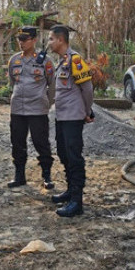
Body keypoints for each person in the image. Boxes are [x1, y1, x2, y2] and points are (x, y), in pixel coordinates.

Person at [49, 25, 94, 217]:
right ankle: (70, 191)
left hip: (74, 116)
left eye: (51, 39)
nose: (49, 43)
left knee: (74, 156)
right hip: (61, 115)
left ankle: (77, 201)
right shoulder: (62, 61)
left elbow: (88, 89)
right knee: (63, 152)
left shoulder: (75, 60)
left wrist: (86, 111)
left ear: (60, 40)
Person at [6, 26, 56, 189]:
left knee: (41, 143)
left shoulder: (45, 61)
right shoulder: (14, 60)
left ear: (34, 40)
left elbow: (52, 85)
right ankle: (19, 176)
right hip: (17, 109)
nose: (21, 43)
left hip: (37, 109)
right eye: (19, 39)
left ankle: (47, 176)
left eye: (25, 39)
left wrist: (47, 103)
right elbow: (13, 82)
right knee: (17, 143)